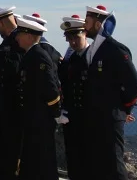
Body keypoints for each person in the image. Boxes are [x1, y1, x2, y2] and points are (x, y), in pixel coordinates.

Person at [83, 5, 137, 180]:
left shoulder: (115, 49)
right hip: (96, 116)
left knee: (114, 164)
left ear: (98, 23)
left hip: (110, 117)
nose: (84, 25)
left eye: (87, 21)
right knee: (100, 164)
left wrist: (122, 110)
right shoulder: (93, 50)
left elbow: (134, 85)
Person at [14, 17, 67, 180]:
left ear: (29, 37)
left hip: (40, 119)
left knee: (43, 161)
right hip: (32, 118)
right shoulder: (30, 55)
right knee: (33, 160)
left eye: (20, 34)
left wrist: (56, 112)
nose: (17, 37)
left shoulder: (38, 56)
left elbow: (51, 88)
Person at [0, 5, 22, 180]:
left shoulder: (17, 43)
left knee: (11, 158)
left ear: (1, 23)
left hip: (14, 109)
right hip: (6, 109)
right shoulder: (9, 44)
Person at [58, 15, 90, 180]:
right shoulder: (70, 61)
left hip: (90, 120)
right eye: (69, 38)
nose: (72, 42)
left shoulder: (93, 58)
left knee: (90, 162)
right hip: (72, 118)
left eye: (76, 37)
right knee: (73, 160)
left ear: (85, 33)